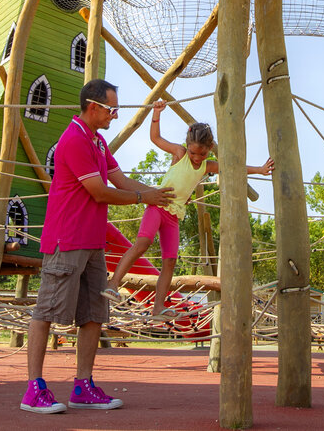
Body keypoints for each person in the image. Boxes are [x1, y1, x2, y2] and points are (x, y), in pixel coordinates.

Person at [21, 79, 175, 415]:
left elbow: (120, 181)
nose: (115, 115)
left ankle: (82, 385)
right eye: (112, 109)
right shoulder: (74, 140)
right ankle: (34, 389)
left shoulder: (98, 141)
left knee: (93, 314)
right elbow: (100, 192)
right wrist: (142, 197)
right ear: (94, 107)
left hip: (93, 243)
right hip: (67, 239)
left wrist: (159, 194)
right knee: (46, 311)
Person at [102, 100, 274, 319]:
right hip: (157, 206)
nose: (196, 158)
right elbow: (156, 138)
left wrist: (260, 170)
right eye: (193, 153)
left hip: (174, 216)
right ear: (187, 146)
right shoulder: (180, 153)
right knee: (143, 243)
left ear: (210, 150)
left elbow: (233, 168)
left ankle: (158, 308)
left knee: (170, 261)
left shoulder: (207, 166)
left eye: (201, 154)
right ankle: (113, 283)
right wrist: (156, 114)